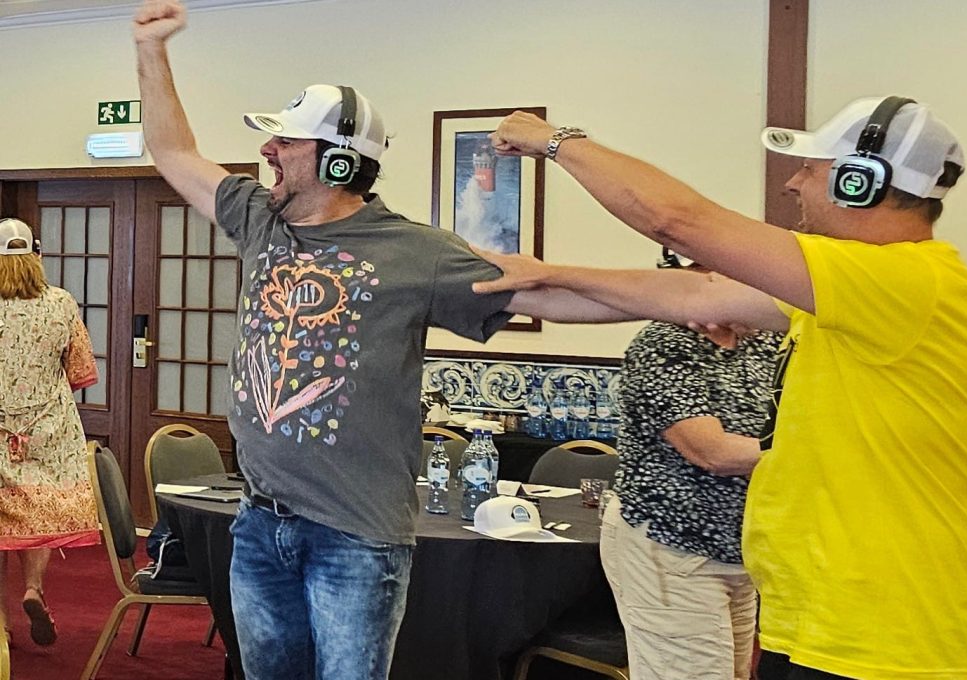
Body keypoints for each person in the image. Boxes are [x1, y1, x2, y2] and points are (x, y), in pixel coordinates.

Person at [132, 2, 633, 678]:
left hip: (355, 537)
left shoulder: (416, 252)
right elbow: (171, 151)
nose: (266, 152)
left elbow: (548, 295)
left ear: (340, 164)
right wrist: (151, 50)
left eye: (287, 143)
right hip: (258, 524)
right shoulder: (260, 219)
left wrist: (682, 301)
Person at [474, 98, 967, 679]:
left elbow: (677, 220)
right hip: (833, 621)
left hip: (889, 639)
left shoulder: (900, 281)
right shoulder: (859, 295)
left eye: (810, 169)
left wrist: (555, 140)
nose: (794, 184)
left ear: (858, 182)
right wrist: (543, 274)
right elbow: (694, 294)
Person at [600, 247, 781, 680]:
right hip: (670, 545)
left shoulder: (763, 340)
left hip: (739, 553)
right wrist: (805, 452)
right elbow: (711, 452)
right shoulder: (663, 344)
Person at [0, 217, 100, 648]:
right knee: (34, 518)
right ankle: (33, 590)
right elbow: (80, 370)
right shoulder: (60, 302)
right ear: (36, 256)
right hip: (47, 432)